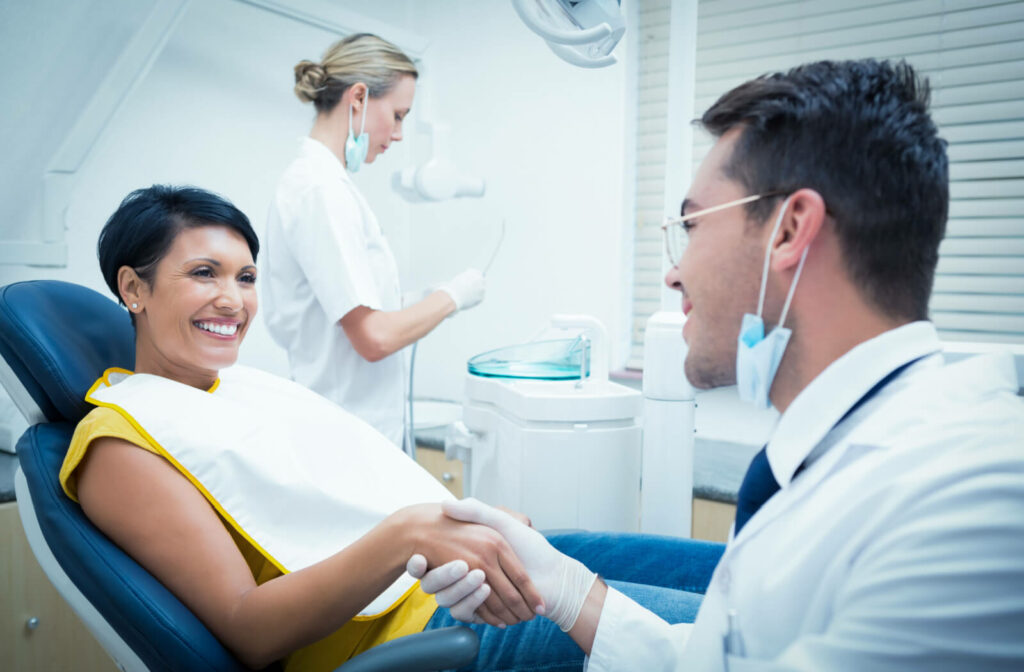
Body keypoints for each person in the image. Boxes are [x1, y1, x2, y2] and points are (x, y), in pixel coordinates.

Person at [412, 59, 1024, 670]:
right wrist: (565, 591)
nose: (673, 271)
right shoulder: (831, 446)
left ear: (790, 230)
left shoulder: (971, 500)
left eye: (692, 225)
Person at [64, 184, 718, 672]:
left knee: (723, 576)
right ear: (134, 289)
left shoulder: (237, 389)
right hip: (419, 634)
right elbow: (246, 628)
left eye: (247, 277)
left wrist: (460, 521)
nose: (233, 300)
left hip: (451, 574)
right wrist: (408, 533)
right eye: (203, 273)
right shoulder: (120, 442)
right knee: (731, 642)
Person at [263, 33, 484, 448]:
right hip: (343, 434)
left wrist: (419, 300)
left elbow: (349, 311)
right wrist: (453, 296)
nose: (398, 134)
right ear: (359, 97)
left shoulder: (326, 186)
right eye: (398, 115)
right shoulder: (321, 191)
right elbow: (374, 338)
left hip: (353, 428)